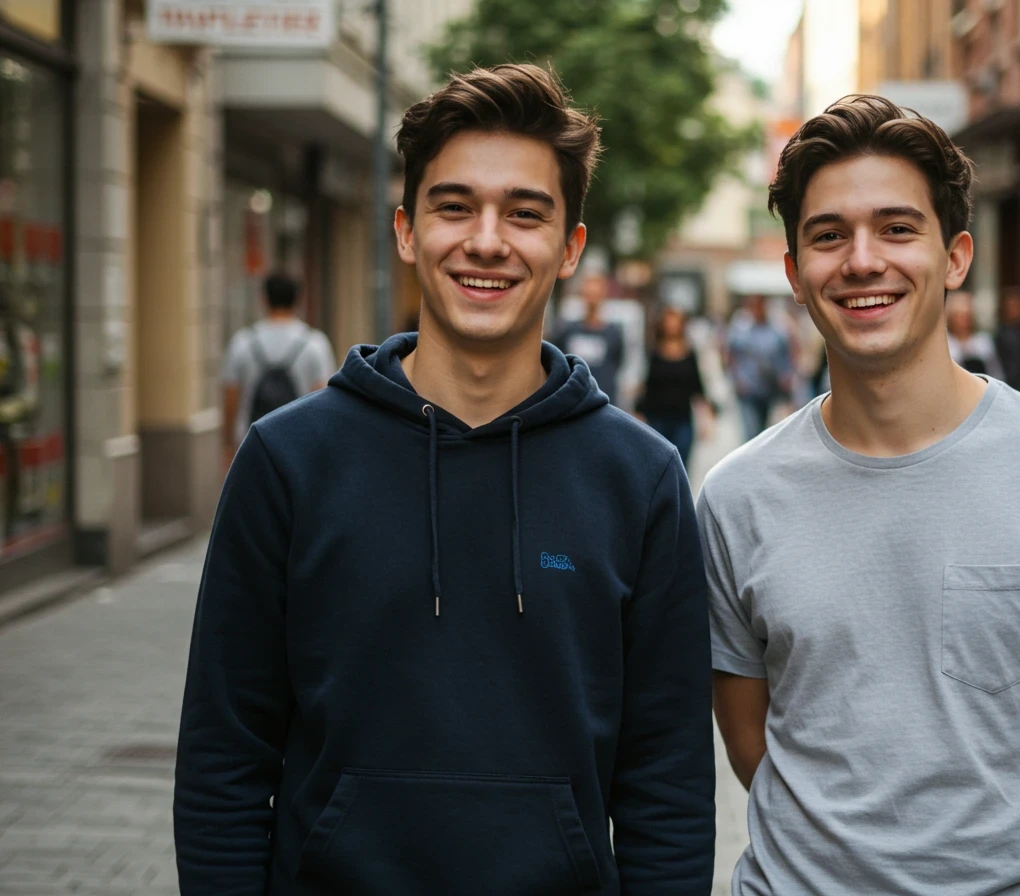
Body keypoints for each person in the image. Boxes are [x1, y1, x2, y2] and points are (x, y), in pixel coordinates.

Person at [175, 64, 715, 895]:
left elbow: (667, 784)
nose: (487, 241)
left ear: (570, 246)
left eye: (525, 213)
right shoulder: (287, 462)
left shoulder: (640, 480)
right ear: (405, 230)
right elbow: (224, 756)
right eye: (454, 206)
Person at [701, 95, 1020, 895]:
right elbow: (752, 744)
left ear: (955, 257)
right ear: (794, 273)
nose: (861, 260)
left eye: (896, 228)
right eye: (828, 235)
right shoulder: (735, 497)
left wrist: (1017, 874)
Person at [220, 272, 335, 466]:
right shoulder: (314, 343)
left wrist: (228, 445)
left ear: (263, 299)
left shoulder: (243, 342)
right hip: (300, 444)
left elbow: (231, 398)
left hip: (250, 443)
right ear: (298, 299)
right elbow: (322, 397)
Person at [635, 305, 715, 467]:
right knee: (659, 465)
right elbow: (646, 386)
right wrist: (638, 413)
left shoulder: (689, 353)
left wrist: (706, 417)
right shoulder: (654, 353)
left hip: (683, 419)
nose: (672, 325)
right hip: (657, 418)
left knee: (681, 465)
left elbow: (697, 386)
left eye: (676, 321)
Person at [725, 293, 792, 441]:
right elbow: (731, 355)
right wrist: (736, 379)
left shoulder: (776, 329)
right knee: (751, 430)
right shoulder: (740, 328)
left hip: (768, 388)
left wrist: (786, 376)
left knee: (763, 430)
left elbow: (785, 354)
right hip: (748, 388)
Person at [552, 271, 626, 404]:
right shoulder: (568, 330)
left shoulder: (613, 333)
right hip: (573, 400)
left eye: (596, 295)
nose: (592, 300)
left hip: (604, 401)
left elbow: (618, 363)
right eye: (589, 294)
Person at [946, 289, 1004, 379]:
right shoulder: (946, 343)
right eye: (959, 316)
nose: (963, 320)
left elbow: (995, 371)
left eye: (966, 315)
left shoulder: (983, 341)